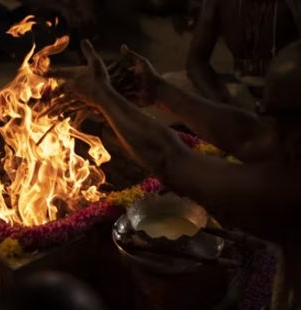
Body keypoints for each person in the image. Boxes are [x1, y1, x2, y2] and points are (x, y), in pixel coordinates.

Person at [48, 39, 301, 309]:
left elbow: (170, 160)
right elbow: (251, 136)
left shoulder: (290, 194)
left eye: (279, 119)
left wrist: (103, 95)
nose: (273, 131)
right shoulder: (290, 139)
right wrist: (158, 91)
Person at [186, 0, 300, 107]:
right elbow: (196, 61)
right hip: (238, 91)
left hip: (285, 94)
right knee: (174, 84)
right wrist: (222, 100)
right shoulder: (217, 3)